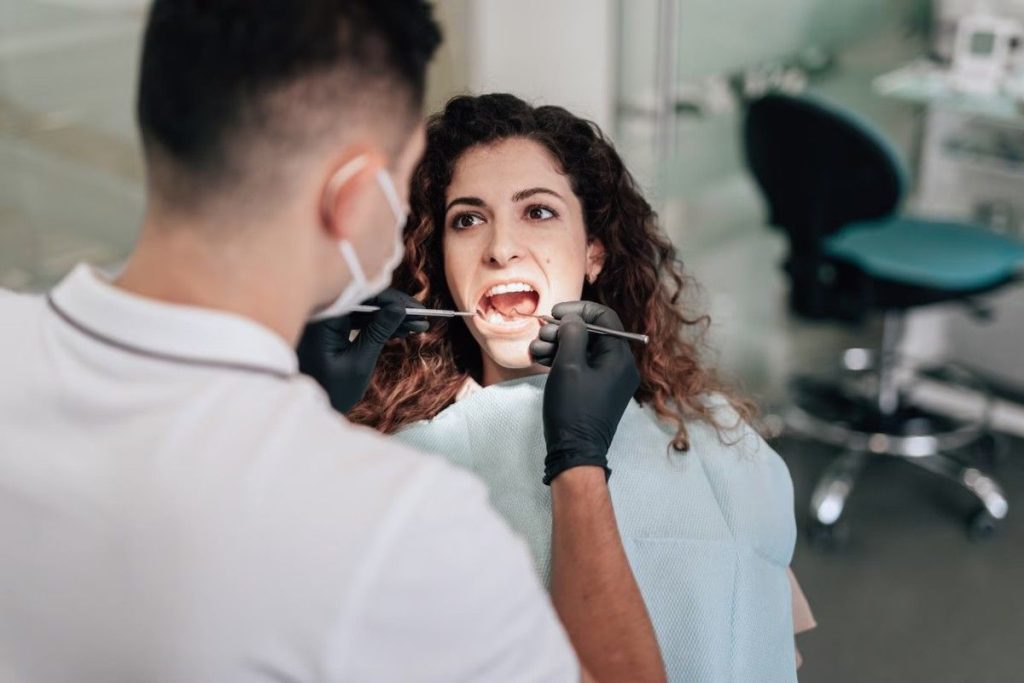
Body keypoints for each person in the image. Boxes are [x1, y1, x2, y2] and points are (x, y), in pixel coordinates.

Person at [0, 5, 666, 682]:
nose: (498, 247)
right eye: (407, 187)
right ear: (352, 195)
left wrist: (308, 411)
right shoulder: (403, 529)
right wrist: (579, 465)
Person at [337, 94, 817, 682]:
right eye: (467, 219)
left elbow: (772, 648)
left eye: (538, 211)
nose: (501, 248)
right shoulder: (398, 467)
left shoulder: (720, 438)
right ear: (440, 264)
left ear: (594, 252)